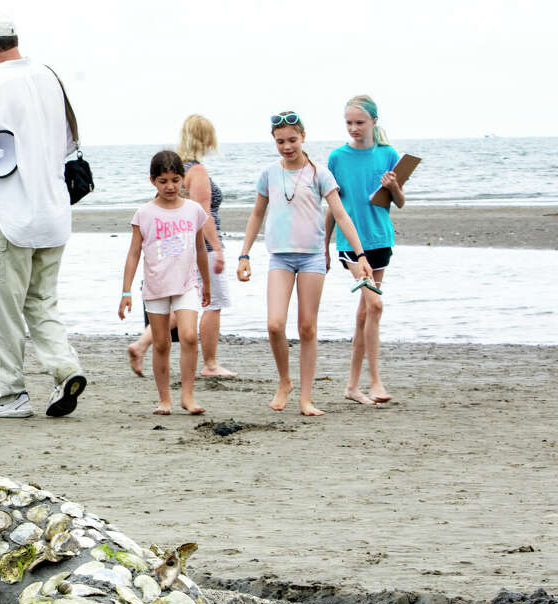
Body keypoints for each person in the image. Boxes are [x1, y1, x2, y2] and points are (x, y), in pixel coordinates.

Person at [0, 11, 87, 419]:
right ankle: (66, 370)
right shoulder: (49, 77)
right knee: (42, 301)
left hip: (10, 215)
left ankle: (11, 393)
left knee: (2, 308)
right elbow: (68, 142)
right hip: (54, 211)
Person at [237, 111, 372, 416]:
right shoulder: (269, 174)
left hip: (311, 256)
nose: (287, 146)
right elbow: (257, 214)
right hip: (279, 257)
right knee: (274, 325)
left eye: (292, 140)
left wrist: (361, 256)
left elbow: (341, 215)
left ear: (303, 137)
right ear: (274, 141)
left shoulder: (319, 174)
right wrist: (244, 254)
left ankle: (306, 398)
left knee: (307, 327)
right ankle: (285, 381)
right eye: (280, 141)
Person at [127, 115, 231, 378]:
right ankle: (210, 363)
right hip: (199, 247)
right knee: (210, 303)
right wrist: (217, 248)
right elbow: (202, 213)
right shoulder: (196, 171)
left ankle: (141, 344)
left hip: (178, 246)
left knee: (182, 304)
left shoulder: (178, 168)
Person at [118, 151, 211, 415]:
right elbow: (134, 253)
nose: (170, 186)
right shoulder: (144, 213)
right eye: (163, 181)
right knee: (161, 344)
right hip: (156, 287)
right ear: (152, 181)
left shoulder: (194, 211)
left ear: (183, 178)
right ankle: (164, 399)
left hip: (187, 284)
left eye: (175, 179)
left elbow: (200, 249)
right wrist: (126, 291)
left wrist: (207, 284)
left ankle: (188, 396)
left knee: (190, 336)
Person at [326, 95, 405, 405]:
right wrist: (325, 247)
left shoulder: (388, 155)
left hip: (380, 239)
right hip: (350, 245)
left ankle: (351, 386)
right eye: (349, 123)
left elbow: (397, 201)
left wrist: (394, 185)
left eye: (359, 122)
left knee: (364, 313)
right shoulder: (336, 158)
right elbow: (333, 206)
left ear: (374, 122)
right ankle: (376, 382)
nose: (353, 128)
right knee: (375, 306)